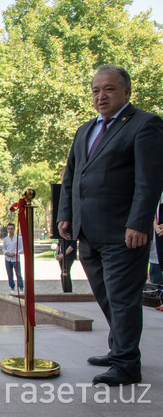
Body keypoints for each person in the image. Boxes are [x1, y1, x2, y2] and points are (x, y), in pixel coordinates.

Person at [57, 65, 163, 386]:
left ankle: (127, 364)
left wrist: (139, 222)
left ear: (127, 92)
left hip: (124, 232)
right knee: (105, 296)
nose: (101, 96)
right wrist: (66, 215)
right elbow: (72, 176)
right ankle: (120, 348)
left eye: (109, 89)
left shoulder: (145, 125)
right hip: (87, 232)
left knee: (123, 298)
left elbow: (150, 180)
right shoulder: (85, 129)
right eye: (95, 90)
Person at [2, 222, 24, 295]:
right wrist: (6, 253)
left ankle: (21, 288)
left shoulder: (18, 238)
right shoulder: (6, 239)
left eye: (12, 229)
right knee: (10, 274)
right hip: (8, 259)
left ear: (14, 229)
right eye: (9, 229)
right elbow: (4, 248)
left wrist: (16, 253)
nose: (10, 230)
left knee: (18, 274)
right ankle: (12, 287)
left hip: (15, 259)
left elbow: (22, 248)